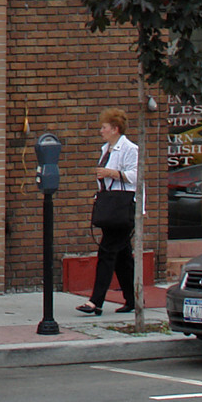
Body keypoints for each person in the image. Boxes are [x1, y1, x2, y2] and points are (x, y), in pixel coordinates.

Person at [79, 108, 140, 316]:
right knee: (122, 257)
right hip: (110, 207)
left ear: (115, 129)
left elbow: (135, 176)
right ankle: (132, 300)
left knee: (106, 252)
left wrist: (110, 173)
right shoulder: (106, 149)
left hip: (122, 209)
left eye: (104, 127)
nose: (101, 131)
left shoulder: (130, 149)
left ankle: (96, 301)